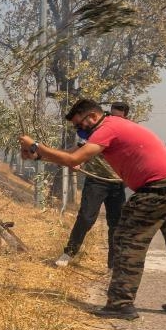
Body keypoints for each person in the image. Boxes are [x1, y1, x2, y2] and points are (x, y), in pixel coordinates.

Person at [19, 98, 166, 320]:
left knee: (127, 240)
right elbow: (70, 155)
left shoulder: (107, 128)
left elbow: (73, 159)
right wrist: (38, 155)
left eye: (80, 124)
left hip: (157, 187)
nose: (79, 130)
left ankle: (120, 303)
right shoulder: (114, 126)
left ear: (92, 117)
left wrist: (34, 145)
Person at [54, 102, 129, 268]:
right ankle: (69, 253)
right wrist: (76, 161)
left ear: (125, 118)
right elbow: (80, 148)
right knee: (86, 218)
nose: (113, 119)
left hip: (117, 183)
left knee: (116, 223)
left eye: (118, 117)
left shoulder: (126, 131)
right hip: (96, 180)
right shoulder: (97, 129)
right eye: (112, 115)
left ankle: (113, 265)